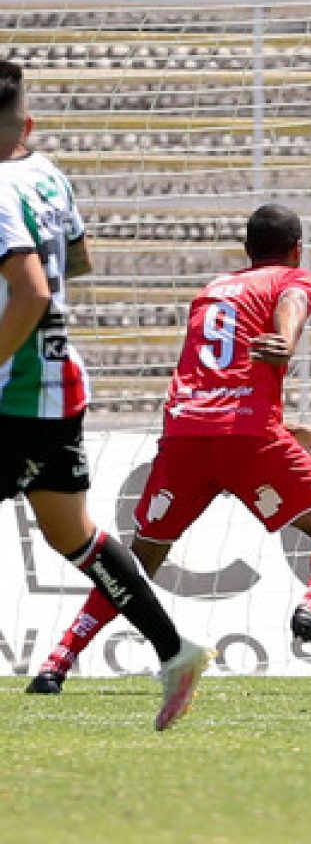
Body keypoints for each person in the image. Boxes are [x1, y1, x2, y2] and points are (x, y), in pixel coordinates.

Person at [27, 202, 311, 694]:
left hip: (186, 438)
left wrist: (284, 425)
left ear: (246, 249)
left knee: (135, 563)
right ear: (297, 250)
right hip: (248, 440)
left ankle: (57, 662)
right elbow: (292, 301)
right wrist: (286, 339)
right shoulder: (293, 278)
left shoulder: (210, 292)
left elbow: (215, 382)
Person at [0, 59, 208, 730]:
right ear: (27, 124)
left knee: (74, 536)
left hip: (16, 394)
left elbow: (31, 291)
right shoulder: (48, 176)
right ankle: (175, 650)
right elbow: (79, 261)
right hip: (60, 384)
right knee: (74, 536)